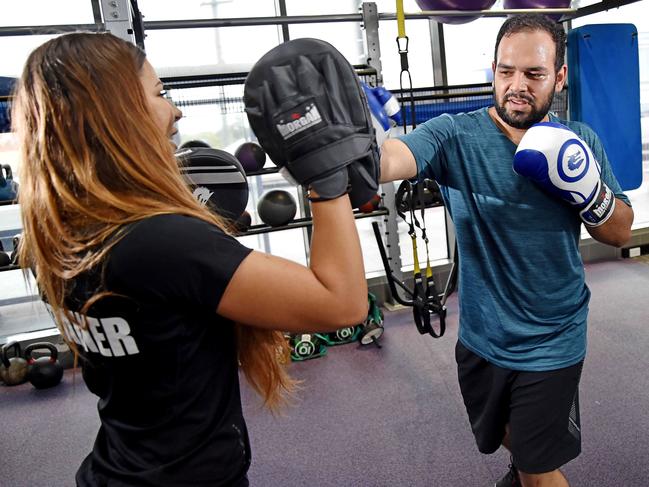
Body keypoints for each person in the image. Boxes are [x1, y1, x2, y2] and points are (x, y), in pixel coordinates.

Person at [12, 32, 369, 486]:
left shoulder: (57, 234)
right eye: (160, 94)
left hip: (117, 469)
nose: (175, 110)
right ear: (119, 115)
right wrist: (325, 175)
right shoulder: (161, 242)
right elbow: (342, 304)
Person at [378, 14, 633, 487]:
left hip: (553, 337)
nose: (517, 85)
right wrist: (365, 145)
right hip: (482, 338)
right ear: (493, 70)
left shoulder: (580, 140)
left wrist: (587, 190)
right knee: (514, 443)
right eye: (505, 71)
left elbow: (620, 233)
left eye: (534, 74)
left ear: (558, 77)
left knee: (539, 469)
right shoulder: (455, 135)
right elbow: (396, 159)